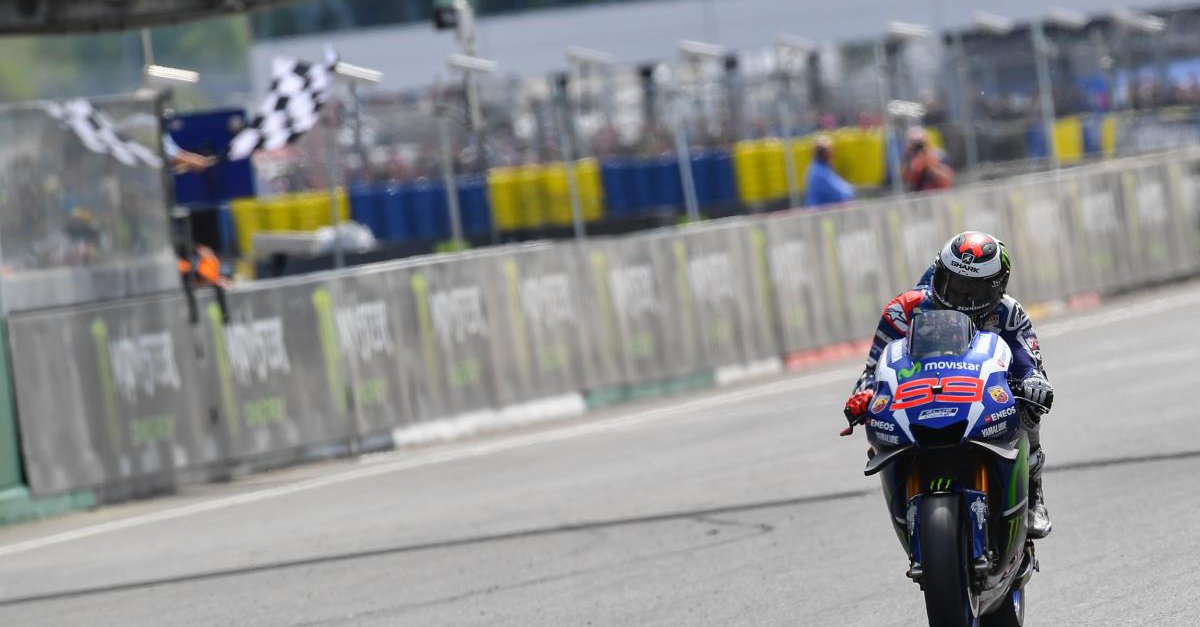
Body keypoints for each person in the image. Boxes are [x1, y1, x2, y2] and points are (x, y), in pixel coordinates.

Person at [842, 231, 1054, 538]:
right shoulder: (904, 310)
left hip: (981, 396)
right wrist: (863, 394)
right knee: (880, 426)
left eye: (973, 289)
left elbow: (1028, 360)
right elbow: (874, 369)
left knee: (1030, 408)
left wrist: (1034, 381)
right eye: (953, 284)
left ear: (997, 287)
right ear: (939, 274)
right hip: (921, 399)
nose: (960, 297)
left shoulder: (1008, 312)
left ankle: (1034, 495)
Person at [804, 135, 855, 207]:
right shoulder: (819, 172)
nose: (833, 153)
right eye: (830, 151)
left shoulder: (821, 168)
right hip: (821, 212)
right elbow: (841, 194)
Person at [900, 127, 953, 192]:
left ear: (927, 140)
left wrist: (931, 165)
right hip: (920, 196)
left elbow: (948, 181)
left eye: (921, 142)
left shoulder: (939, 155)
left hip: (939, 194)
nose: (918, 146)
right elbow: (907, 179)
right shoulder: (909, 158)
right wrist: (916, 161)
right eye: (914, 142)